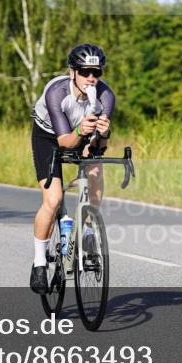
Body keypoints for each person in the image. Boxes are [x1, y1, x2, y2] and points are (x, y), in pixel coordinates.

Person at [28, 44, 115, 294]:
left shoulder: (106, 97)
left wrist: (103, 134)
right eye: (85, 71)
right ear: (72, 72)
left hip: (81, 132)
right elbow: (65, 141)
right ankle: (40, 262)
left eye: (96, 72)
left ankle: (88, 234)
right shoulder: (56, 93)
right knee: (53, 200)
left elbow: (97, 147)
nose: (91, 78)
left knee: (95, 175)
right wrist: (80, 131)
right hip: (49, 136)